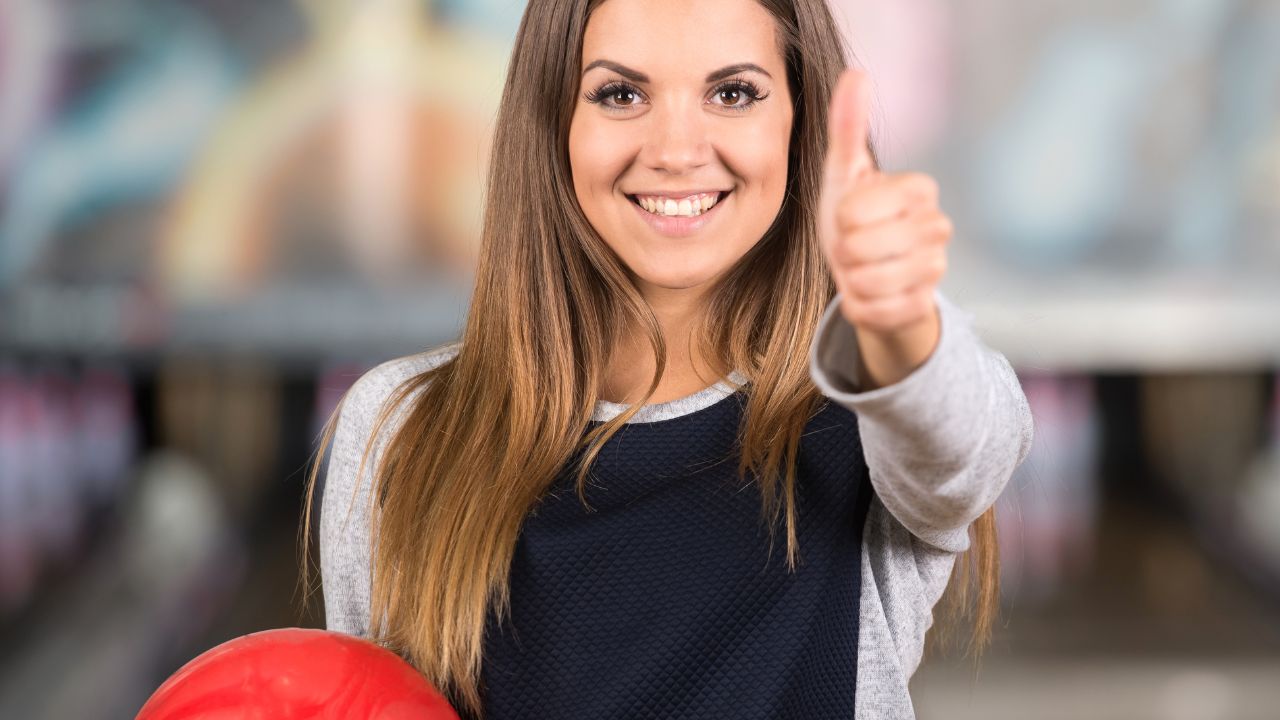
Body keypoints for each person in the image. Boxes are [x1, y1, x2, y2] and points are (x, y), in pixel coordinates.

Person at [300, 0, 1034, 717]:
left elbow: (968, 441)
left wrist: (896, 319)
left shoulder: (868, 416)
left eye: (733, 92)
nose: (677, 150)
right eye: (620, 94)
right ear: (554, 122)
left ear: (798, 122)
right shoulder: (398, 431)